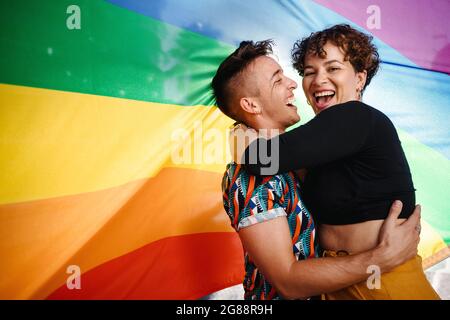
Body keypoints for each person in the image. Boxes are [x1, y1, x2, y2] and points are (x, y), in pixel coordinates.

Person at [212, 39, 423, 300]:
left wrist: (241, 136)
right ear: (251, 105)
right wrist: (380, 257)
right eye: (309, 72)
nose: (295, 83)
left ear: (360, 79)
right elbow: (287, 280)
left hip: (382, 284)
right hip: (362, 277)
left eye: (333, 69)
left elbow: (261, 157)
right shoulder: (257, 175)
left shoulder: (353, 118)